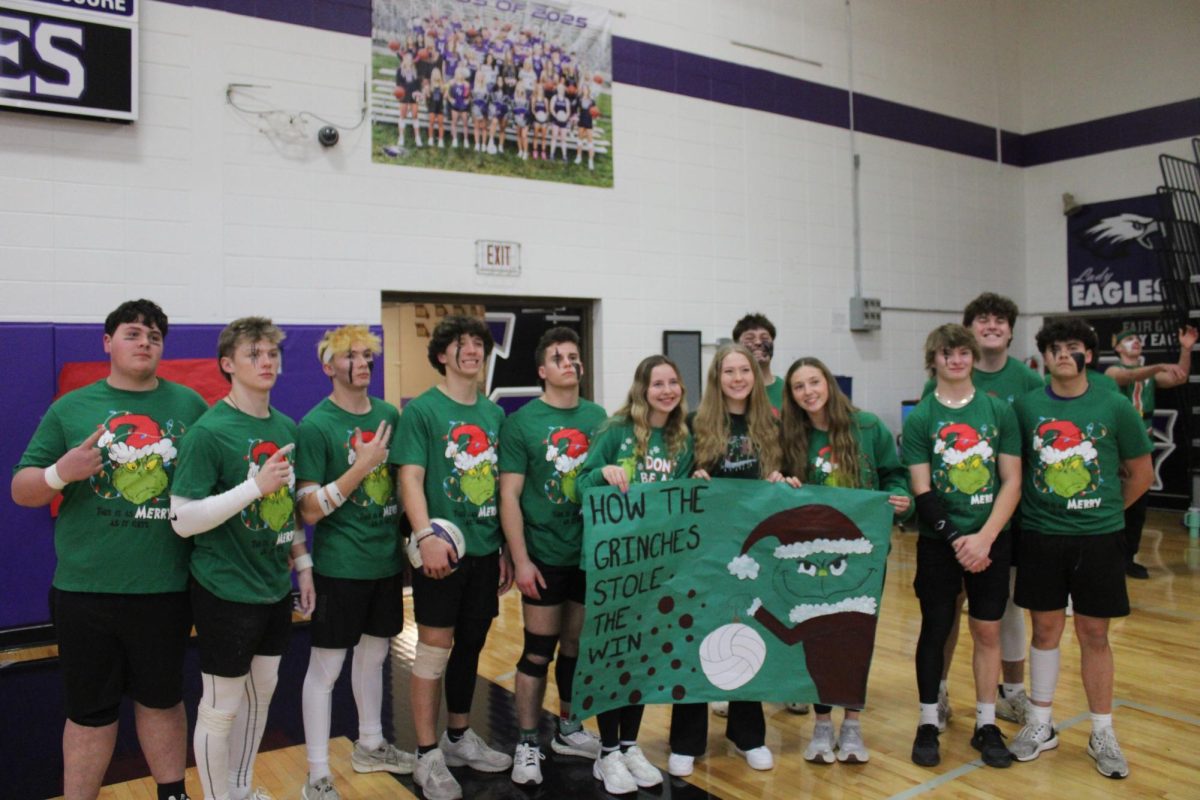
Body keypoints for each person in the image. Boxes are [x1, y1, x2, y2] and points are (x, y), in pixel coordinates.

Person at [12, 299, 207, 800]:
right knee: (88, 713)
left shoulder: (189, 407)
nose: (145, 342)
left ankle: (173, 794)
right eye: (133, 333)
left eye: (154, 336)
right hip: (85, 592)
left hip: (163, 588)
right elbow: (21, 488)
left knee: (163, 702)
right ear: (108, 342)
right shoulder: (70, 408)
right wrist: (61, 473)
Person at [170, 317, 316, 800]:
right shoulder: (209, 432)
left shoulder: (284, 426)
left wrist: (303, 565)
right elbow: (183, 520)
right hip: (223, 588)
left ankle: (239, 787)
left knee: (263, 692)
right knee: (221, 706)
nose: (267, 361)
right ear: (228, 365)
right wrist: (254, 485)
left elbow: (286, 508)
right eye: (255, 354)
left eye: (272, 352)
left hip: (274, 586)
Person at [1008, 319, 1153, 779]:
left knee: (1094, 634)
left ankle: (1101, 732)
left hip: (1100, 538)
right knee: (1045, 631)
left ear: (1088, 354)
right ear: (1045, 357)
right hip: (1041, 536)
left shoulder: (1113, 405)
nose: (1063, 354)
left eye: (1073, 347)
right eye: (1054, 348)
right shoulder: (1027, 407)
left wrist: (1105, 513)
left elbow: (1141, 474)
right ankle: (1040, 724)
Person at [394, 315, 512, 800]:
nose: (472, 351)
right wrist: (424, 536)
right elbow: (410, 479)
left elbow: (503, 490)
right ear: (442, 354)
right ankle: (426, 754)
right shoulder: (423, 411)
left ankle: (459, 737)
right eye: (461, 344)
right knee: (434, 647)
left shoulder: (493, 414)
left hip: (485, 551)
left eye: (478, 344)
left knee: (471, 644)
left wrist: (504, 546)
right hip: (441, 549)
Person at [295, 325, 412, 799]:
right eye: (351, 356)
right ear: (328, 366)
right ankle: (317, 773)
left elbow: (405, 488)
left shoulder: (389, 414)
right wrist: (360, 466)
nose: (362, 363)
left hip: (384, 566)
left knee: (376, 656)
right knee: (326, 670)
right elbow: (307, 509)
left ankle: (371, 744)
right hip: (339, 568)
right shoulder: (315, 425)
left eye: (368, 355)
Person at [920, 293, 1044, 729]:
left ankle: (1010, 693)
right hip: (950, 526)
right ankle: (937, 691)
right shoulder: (933, 394)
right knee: (947, 609)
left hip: (1010, 517)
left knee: (1002, 610)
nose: (991, 326)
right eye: (982, 320)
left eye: (1000, 320)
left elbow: (1025, 457)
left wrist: (991, 530)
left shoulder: (1027, 383)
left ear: (1011, 329)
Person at [780, 356, 912, 764]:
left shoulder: (868, 426)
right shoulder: (791, 435)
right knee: (817, 637)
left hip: (862, 556)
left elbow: (894, 475)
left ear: (829, 383)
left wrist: (900, 498)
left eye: (814, 382)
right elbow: (777, 481)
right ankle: (821, 724)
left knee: (856, 638)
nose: (808, 392)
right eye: (799, 386)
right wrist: (783, 482)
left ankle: (852, 724)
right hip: (811, 558)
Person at [667, 344, 790, 777]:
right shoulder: (694, 423)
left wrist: (784, 479)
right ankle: (686, 738)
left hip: (754, 552)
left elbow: (794, 479)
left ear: (755, 377)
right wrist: (692, 478)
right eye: (728, 371)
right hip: (704, 551)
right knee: (695, 637)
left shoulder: (772, 425)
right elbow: (673, 480)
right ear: (716, 378)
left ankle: (747, 734)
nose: (737, 378)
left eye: (744, 370)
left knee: (747, 636)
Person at [903, 325, 1021, 769]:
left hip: (991, 541)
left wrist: (985, 537)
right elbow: (922, 488)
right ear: (933, 360)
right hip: (940, 544)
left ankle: (986, 723)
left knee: (987, 630)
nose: (955, 359)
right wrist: (957, 541)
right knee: (936, 627)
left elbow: (1012, 480)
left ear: (973, 358)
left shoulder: (997, 411)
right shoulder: (921, 417)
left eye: (962, 352)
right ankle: (928, 720)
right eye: (946, 353)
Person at [578, 355, 694, 794]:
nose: (666, 390)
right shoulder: (615, 430)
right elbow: (581, 486)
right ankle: (606, 753)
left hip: (654, 567)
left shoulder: (683, 438)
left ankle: (629, 745)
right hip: (612, 565)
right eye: (657, 383)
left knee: (642, 657)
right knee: (613, 655)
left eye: (673, 382)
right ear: (642, 388)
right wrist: (601, 473)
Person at [498, 328, 607, 786]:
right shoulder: (522, 423)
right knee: (538, 651)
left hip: (587, 555)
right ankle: (527, 741)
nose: (569, 363)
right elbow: (509, 496)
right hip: (543, 555)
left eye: (574, 356)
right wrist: (521, 560)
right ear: (542, 371)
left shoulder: (599, 417)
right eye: (559, 357)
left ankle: (568, 726)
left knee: (577, 649)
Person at [1105, 324, 1197, 579]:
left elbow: (1179, 376)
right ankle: (1110, 556)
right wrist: (1158, 367)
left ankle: (1129, 558)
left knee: (1139, 505)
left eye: (1137, 338)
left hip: (1143, 442)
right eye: (1129, 339)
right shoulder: (1113, 371)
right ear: (1117, 347)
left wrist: (1185, 350)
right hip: (1118, 443)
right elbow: (1128, 377)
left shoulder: (1151, 375)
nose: (1135, 342)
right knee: (1117, 502)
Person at [734, 313, 784, 413]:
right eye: (749, 339)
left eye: (764, 338)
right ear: (736, 346)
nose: (758, 343)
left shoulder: (787, 390)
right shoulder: (732, 389)